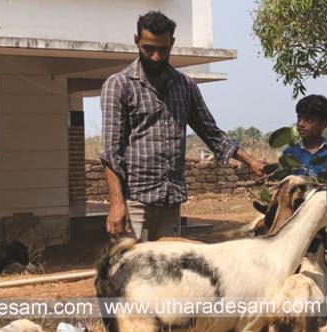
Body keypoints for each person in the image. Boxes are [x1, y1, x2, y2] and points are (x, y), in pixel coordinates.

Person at [100, 11, 265, 242]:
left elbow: (211, 132)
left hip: (170, 198)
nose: (156, 56)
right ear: (137, 41)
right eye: (149, 48)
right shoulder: (119, 85)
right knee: (132, 272)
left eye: (163, 49)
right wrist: (117, 204)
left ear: (172, 44)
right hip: (134, 199)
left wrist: (251, 161)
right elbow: (111, 152)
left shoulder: (184, 85)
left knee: (171, 274)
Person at [282, 94, 327, 187]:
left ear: (324, 124)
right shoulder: (290, 153)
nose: (301, 124)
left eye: (308, 120)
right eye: (299, 118)